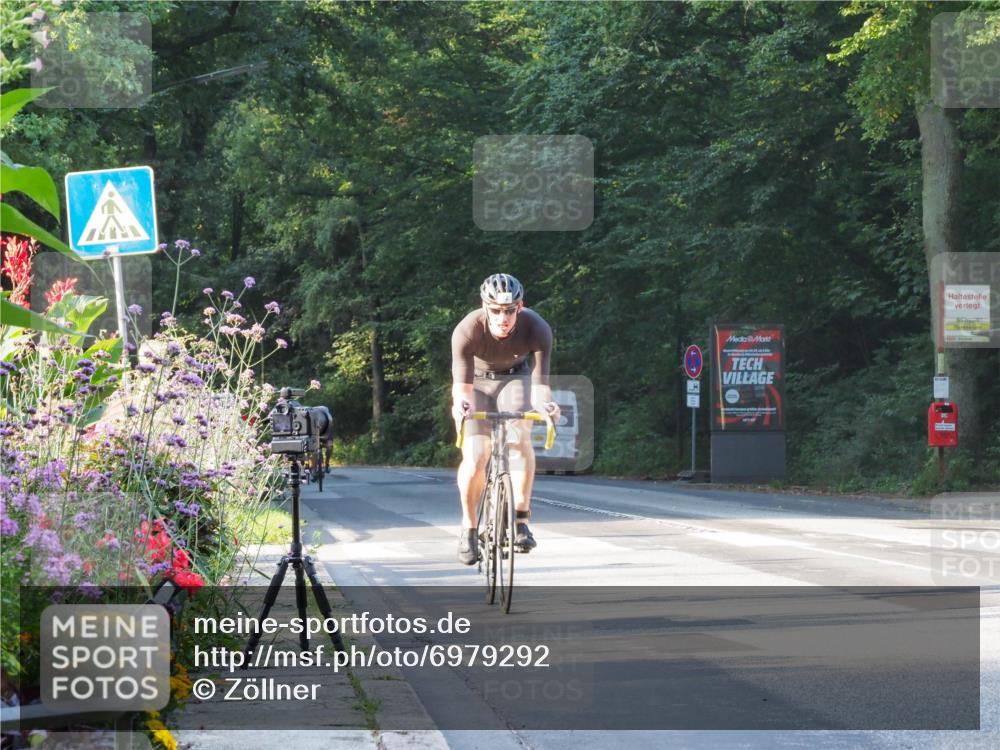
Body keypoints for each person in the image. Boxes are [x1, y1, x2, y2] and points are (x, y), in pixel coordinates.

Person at [451, 273, 560, 565]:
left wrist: (547, 406)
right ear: (484, 306)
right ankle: (469, 528)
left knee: (518, 437)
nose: (504, 318)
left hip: (515, 379)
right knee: (476, 455)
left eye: (510, 310)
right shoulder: (467, 330)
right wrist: (460, 406)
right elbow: (461, 389)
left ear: (520, 306)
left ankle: (521, 520)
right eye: (497, 311)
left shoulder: (537, 328)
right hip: (477, 383)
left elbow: (540, 388)